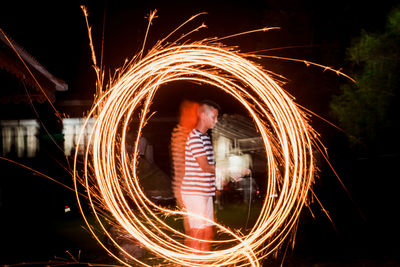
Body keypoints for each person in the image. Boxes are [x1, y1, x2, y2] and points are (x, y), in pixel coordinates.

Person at [180, 100, 219, 252]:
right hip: (194, 192)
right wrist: (229, 169)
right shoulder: (195, 137)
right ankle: (193, 261)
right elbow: (205, 166)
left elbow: (208, 169)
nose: (216, 121)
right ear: (203, 116)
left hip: (205, 192)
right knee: (197, 234)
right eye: (214, 117)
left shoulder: (205, 138)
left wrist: (214, 186)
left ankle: (203, 261)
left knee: (208, 231)